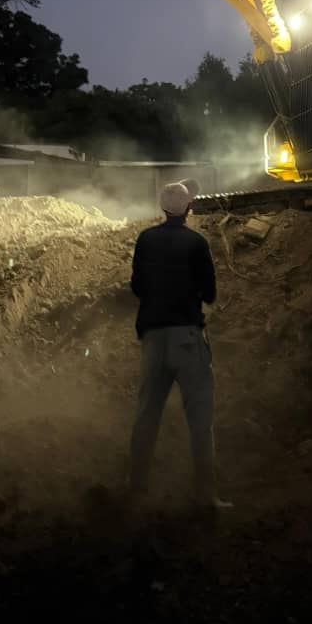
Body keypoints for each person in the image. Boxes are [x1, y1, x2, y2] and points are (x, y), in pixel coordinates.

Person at [128, 180, 231, 509]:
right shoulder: (196, 243)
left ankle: (137, 491)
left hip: (153, 338)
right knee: (200, 420)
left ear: (162, 208)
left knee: (147, 416)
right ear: (189, 209)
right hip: (187, 338)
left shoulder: (146, 240)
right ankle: (205, 495)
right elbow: (211, 293)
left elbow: (137, 286)